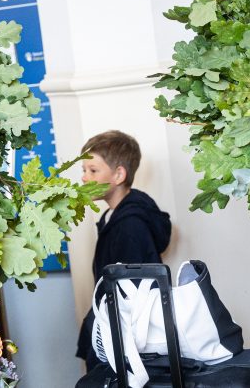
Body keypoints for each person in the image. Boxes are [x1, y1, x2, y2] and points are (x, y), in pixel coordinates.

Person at [74, 130, 172, 369]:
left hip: (125, 346)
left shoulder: (131, 225)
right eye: (83, 170)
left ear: (119, 174)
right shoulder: (113, 217)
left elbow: (137, 295)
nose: (85, 178)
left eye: (93, 170)